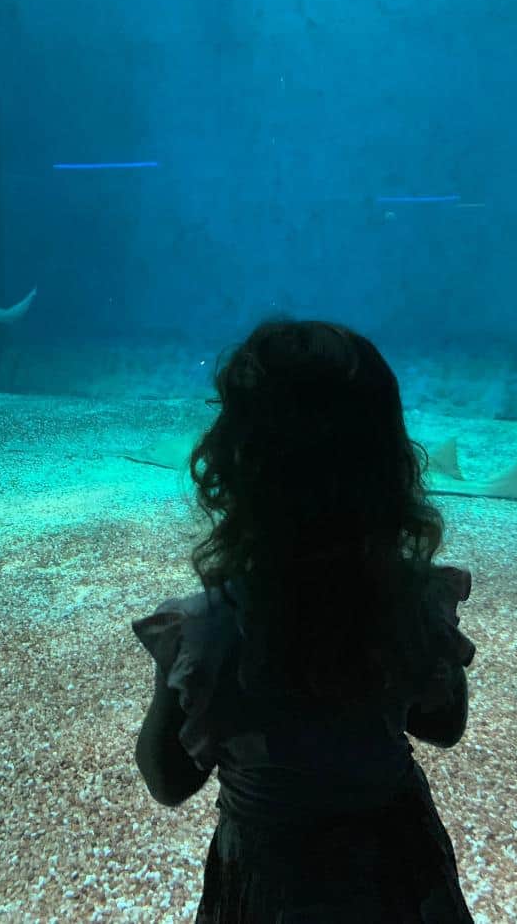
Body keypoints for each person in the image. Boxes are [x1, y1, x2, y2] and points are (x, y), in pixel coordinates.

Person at [133, 319, 477, 922]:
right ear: (388, 465)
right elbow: (443, 724)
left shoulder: (209, 628)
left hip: (272, 876)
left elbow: (168, 780)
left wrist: (174, 673)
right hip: (397, 866)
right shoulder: (412, 600)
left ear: (232, 469)